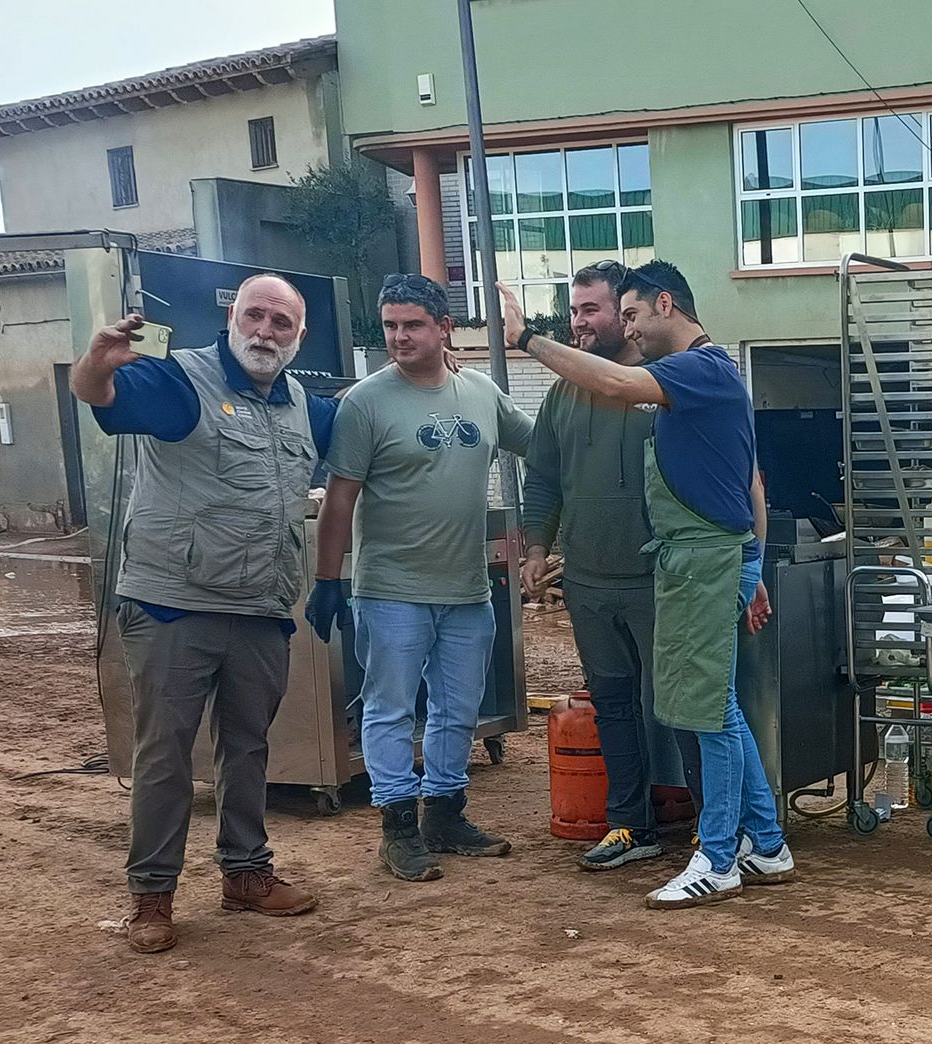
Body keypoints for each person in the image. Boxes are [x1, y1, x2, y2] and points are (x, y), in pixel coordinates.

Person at [497, 262, 794, 909]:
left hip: (687, 565)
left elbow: (616, 381)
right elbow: (744, 483)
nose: (607, 324)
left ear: (663, 304)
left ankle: (718, 853)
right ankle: (763, 842)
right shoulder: (698, 376)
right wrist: (752, 564)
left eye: (624, 314)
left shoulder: (692, 371)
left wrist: (524, 339)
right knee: (711, 707)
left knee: (703, 714)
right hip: (687, 562)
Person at [76, 274, 329, 955]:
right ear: (232, 319)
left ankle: (246, 873)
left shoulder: (306, 404)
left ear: (298, 336)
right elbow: (100, 395)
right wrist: (96, 364)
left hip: (260, 607)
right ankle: (152, 896)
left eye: (282, 322)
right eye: (256, 316)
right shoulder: (180, 381)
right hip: (172, 605)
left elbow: (369, 437)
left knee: (249, 748)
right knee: (165, 754)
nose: (265, 331)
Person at [307, 274, 534, 882]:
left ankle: (446, 814)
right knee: (389, 710)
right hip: (392, 591)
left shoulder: (482, 392)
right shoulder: (366, 402)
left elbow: (543, 445)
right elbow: (338, 500)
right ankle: (399, 829)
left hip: (467, 590)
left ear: (444, 329)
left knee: (457, 709)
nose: (399, 337)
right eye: (390, 326)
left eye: (412, 325)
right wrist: (329, 579)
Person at [521, 260, 703, 872]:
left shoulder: (666, 382)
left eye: (591, 309)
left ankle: (714, 827)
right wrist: (537, 548)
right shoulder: (563, 393)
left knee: (683, 706)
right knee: (614, 704)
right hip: (590, 582)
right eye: (574, 311)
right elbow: (543, 474)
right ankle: (630, 825)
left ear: (628, 315)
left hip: (660, 580)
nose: (580, 322)